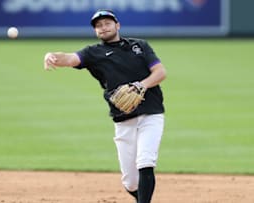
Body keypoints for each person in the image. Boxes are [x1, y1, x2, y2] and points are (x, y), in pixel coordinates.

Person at [43, 9, 166, 203]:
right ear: (95, 31)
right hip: (123, 119)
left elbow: (160, 72)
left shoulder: (140, 46)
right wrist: (52, 55)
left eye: (107, 23)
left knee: (145, 161)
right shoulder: (93, 53)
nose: (103, 27)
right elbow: (69, 58)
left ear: (117, 25)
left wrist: (140, 85)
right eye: (98, 25)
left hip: (151, 113)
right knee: (130, 182)